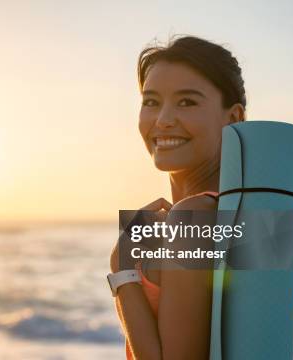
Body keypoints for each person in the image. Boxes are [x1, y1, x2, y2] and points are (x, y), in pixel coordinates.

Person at [109, 35, 247, 359]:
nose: (163, 119)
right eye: (151, 101)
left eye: (187, 102)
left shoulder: (193, 217)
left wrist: (122, 268)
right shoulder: (223, 211)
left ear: (234, 118)